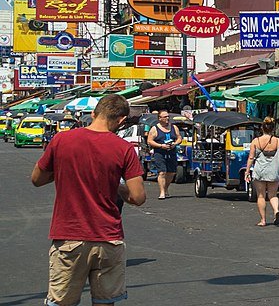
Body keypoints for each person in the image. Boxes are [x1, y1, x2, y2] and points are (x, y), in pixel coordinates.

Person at [31, 93, 147, 306]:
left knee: (61, 302)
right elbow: (138, 197)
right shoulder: (124, 148)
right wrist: (116, 185)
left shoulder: (62, 140)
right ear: (121, 120)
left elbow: (37, 179)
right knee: (105, 302)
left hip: (69, 236)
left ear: (93, 114)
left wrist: (65, 171)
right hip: (108, 238)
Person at [247, 117, 279, 227]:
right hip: (274, 171)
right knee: (273, 195)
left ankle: (263, 220)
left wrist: (247, 171)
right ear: (273, 129)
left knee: (261, 196)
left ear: (262, 128)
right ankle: (276, 210)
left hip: (260, 171)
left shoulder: (256, 141)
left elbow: (251, 158)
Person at [144, 110, 181, 200]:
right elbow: (149, 141)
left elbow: (179, 137)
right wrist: (161, 145)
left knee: (171, 172)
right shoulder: (154, 129)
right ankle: (162, 192)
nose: (167, 118)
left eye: (168, 116)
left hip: (172, 152)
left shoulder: (174, 127)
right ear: (159, 118)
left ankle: (165, 188)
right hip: (160, 153)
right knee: (162, 172)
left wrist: (175, 144)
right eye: (165, 117)